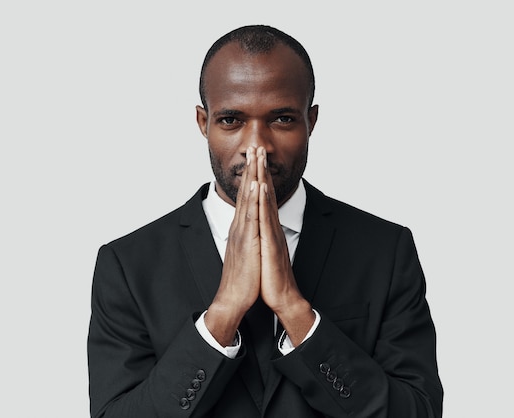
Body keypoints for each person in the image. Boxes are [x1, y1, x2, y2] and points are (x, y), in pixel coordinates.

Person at [87, 24, 443, 417]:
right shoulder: (128, 265)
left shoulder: (385, 251)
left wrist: (295, 310)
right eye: (231, 121)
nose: (256, 146)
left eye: (282, 120)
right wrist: (222, 314)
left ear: (312, 121)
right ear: (203, 123)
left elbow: (419, 412)